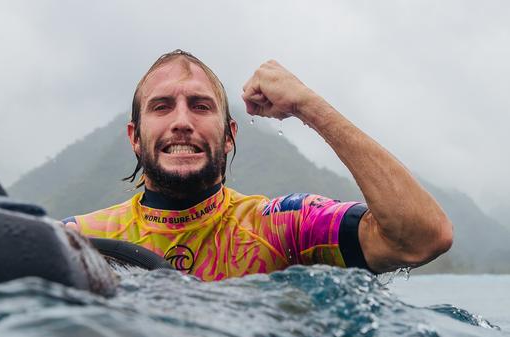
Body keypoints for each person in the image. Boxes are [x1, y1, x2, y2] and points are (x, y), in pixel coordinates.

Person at [63, 50, 452, 281]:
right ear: (135, 137)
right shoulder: (78, 239)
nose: (182, 121)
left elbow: (422, 238)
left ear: (230, 135)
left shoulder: (282, 226)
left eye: (200, 106)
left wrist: (308, 106)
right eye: (162, 106)